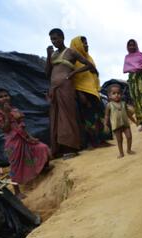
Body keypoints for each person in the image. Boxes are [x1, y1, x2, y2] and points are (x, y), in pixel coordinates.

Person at [45, 28, 95, 159]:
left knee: (67, 116)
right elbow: (47, 73)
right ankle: (59, 149)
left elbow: (89, 65)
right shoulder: (53, 55)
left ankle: (71, 148)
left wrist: (73, 73)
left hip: (66, 87)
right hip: (54, 88)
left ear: (62, 38)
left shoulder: (71, 52)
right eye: (52, 39)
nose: (54, 41)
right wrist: (48, 55)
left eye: (56, 38)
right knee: (56, 117)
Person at [0, 89, 51, 199]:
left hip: (24, 139)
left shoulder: (15, 110)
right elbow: (5, 129)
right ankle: (17, 192)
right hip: (12, 143)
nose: (5, 98)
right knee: (15, 166)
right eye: (1, 97)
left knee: (42, 148)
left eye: (6, 95)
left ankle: (42, 170)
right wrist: (6, 114)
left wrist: (30, 137)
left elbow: (22, 126)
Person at [70, 36, 111, 149]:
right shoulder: (73, 60)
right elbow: (74, 80)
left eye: (87, 43)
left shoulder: (88, 58)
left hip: (93, 91)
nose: (87, 45)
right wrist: (79, 93)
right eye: (84, 44)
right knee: (89, 118)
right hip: (83, 92)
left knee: (99, 116)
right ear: (77, 45)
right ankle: (94, 142)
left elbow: (93, 73)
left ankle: (103, 140)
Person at [123, 39, 142, 132]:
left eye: (133, 45)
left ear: (136, 46)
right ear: (127, 47)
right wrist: (134, 69)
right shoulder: (127, 57)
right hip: (132, 79)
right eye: (129, 45)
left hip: (139, 78)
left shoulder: (141, 55)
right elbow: (127, 68)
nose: (131, 47)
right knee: (136, 101)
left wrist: (141, 69)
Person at [104, 84, 137, 159]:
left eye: (118, 93)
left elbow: (128, 114)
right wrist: (105, 124)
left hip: (125, 124)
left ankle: (129, 150)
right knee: (119, 140)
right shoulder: (109, 105)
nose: (117, 95)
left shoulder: (123, 103)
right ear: (109, 96)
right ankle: (121, 153)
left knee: (129, 137)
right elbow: (106, 116)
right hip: (116, 125)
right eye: (114, 93)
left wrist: (134, 121)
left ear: (121, 94)